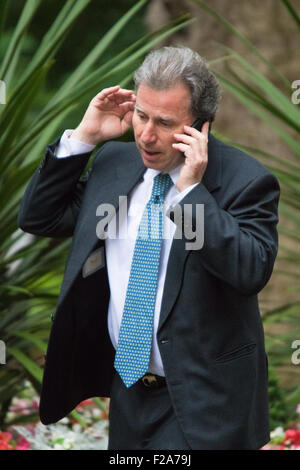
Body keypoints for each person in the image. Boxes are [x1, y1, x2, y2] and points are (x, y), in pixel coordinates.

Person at [18, 46, 280, 450]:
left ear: (201, 127)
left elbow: (249, 271)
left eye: (164, 122)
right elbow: (40, 217)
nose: (146, 134)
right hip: (129, 392)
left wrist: (190, 192)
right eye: (141, 115)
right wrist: (84, 138)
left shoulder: (246, 181)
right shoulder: (114, 163)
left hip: (204, 401)